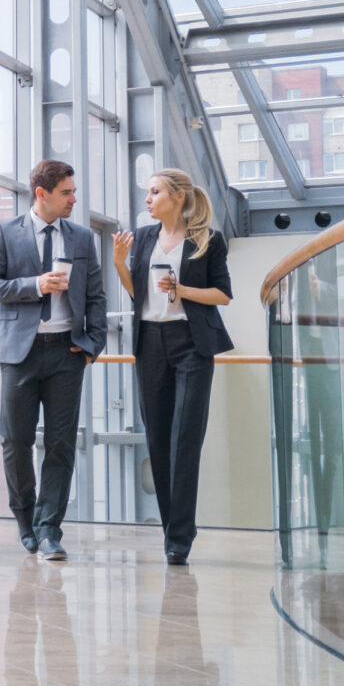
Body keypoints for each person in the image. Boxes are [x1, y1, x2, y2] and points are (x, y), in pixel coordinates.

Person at [0, 160, 108, 561]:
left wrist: (92, 346)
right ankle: (25, 519)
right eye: (66, 192)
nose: (73, 199)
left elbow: (98, 297)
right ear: (42, 194)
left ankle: (49, 528)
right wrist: (35, 285)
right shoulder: (5, 232)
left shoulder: (83, 238)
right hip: (20, 353)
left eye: (72, 191)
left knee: (61, 444)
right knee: (15, 440)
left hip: (67, 353)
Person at [111, 168, 232, 566]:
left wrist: (182, 291)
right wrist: (119, 264)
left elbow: (222, 295)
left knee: (185, 440)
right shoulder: (144, 237)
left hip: (191, 344)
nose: (148, 199)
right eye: (147, 192)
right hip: (151, 344)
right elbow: (138, 294)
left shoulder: (208, 240)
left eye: (155, 191)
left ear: (178, 196)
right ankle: (172, 530)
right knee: (159, 441)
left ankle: (180, 538)